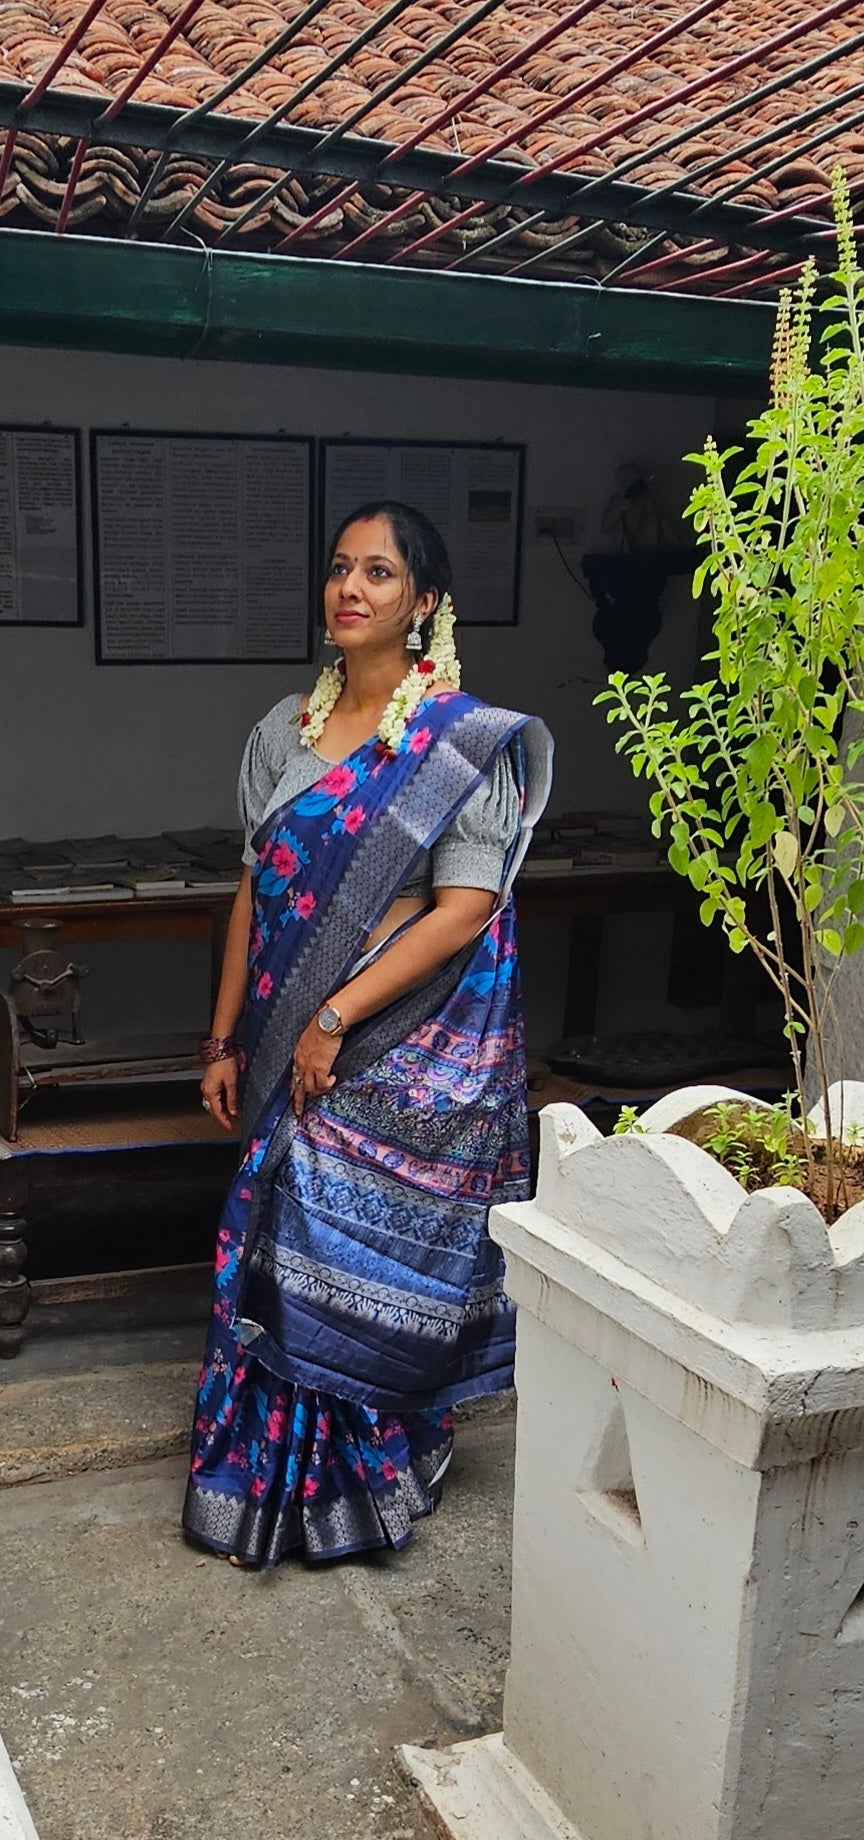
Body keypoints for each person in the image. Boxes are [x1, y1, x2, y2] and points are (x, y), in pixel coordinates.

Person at [184, 502, 552, 1570]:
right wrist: (221, 1038)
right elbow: (252, 890)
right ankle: (262, 1478)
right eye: (340, 568)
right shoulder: (280, 730)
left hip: (388, 1038)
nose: (350, 587)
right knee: (270, 1243)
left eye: (379, 572)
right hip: (276, 1029)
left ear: (423, 602)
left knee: (335, 1240)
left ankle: (364, 1469)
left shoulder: (460, 743)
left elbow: (466, 905)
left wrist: (336, 1017)